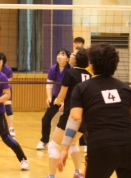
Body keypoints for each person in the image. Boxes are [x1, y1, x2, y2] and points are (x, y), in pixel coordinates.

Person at [59, 43, 131, 178]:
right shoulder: (126, 89)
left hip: (101, 146)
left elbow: (75, 118)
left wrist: (65, 147)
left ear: (91, 64)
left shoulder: (82, 88)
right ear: (115, 64)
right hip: (130, 146)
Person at [45, 48, 91, 178]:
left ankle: (51, 176)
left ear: (77, 59)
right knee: (72, 143)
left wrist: (57, 101)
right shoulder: (89, 75)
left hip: (71, 116)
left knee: (54, 145)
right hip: (84, 118)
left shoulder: (70, 73)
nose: (71, 56)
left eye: (73, 54)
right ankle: (78, 173)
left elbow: (62, 94)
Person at [37, 49, 71, 150]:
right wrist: (49, 97)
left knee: (76, 120)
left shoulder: (71, 70)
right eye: (58, 54)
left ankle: (83, 143)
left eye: (63, 54)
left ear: (68, 59)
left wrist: (64, 101)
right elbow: (49, 85)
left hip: (69, 98)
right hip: (56, 97)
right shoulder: (53, 69)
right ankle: (44, 141)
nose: (59, 56)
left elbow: (73, 88)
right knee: (45, 119)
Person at [0, 52, 15, 137]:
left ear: (3, 61)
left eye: (0, 60)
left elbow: (8, 83)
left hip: (5, 90)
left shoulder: (7, 70)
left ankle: (11, 128)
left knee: (8, 107)